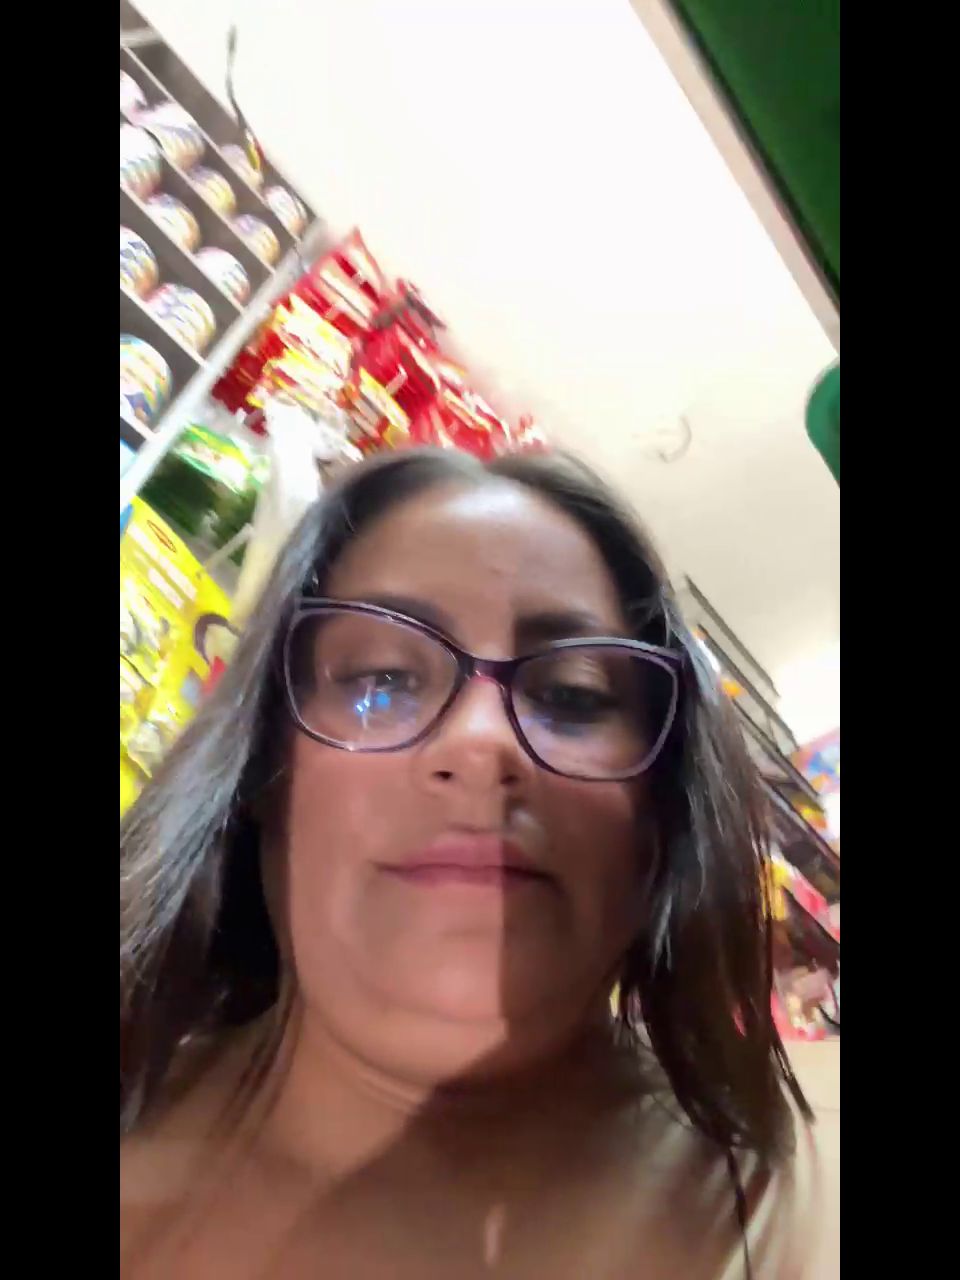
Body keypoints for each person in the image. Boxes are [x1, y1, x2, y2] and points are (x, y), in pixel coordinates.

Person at [121, 448, 831, 1278]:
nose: (481, 744)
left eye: (573, 696)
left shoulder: (781, 1213)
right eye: (384, 679)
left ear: (660, 818)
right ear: (262, 773)